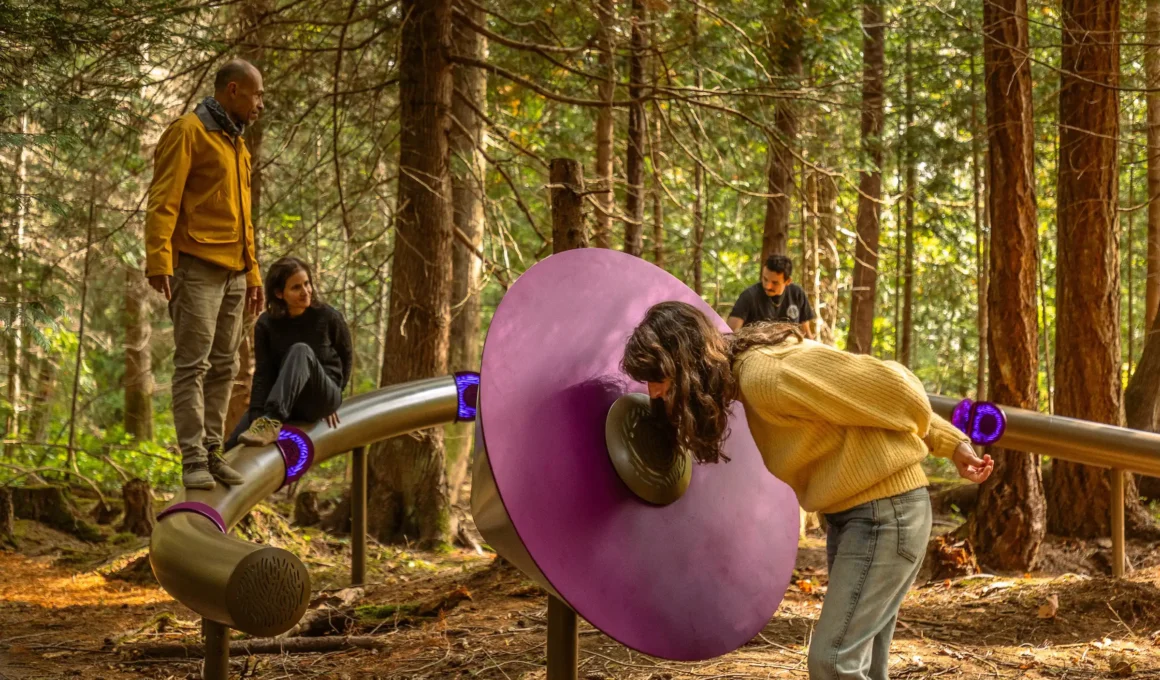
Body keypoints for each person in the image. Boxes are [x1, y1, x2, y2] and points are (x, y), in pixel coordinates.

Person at [621, 302, 993, 680]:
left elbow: (895, 391)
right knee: (862, 666)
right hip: (859, 516)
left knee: (832, 663)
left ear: (686, 360)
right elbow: (866, 404)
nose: (654, 392)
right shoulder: (750, 378)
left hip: (885, 514)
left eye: (658, 377)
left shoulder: (766, 375)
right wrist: (952, 442)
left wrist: (947, 440)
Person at [146, 59, 266, 490]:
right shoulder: (188, 132)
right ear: (233, 90)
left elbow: (245, 218)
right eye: (256, 95)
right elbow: (163, 202)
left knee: (225, 366)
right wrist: (159, 262)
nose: (260, 104)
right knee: (191, 366)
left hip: (235, 272)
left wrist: (253, 274)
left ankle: (213, 452)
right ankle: (192, 458)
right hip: (195, 268)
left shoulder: (237, 143)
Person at [226, 257, 352, 450]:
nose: (305, 292)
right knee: (232, 447)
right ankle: (265, 422)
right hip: (287, 401)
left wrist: (332, 400)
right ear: (279, 293)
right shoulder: (266, 324)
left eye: (307, 284)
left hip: (321, 395)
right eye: (296, 288)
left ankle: (271, 420)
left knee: (300, 350)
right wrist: (255, 416)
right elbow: (264, 374)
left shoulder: (328, 317)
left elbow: (346, 358)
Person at [728, 254, 816, 339]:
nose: (767, 286)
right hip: (757, 349)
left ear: (788, 281)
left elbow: (806, 333)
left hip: (790, 349)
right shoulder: (748, 296)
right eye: (765, 279)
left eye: (775, 283)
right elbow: (731, 333)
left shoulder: (797, 294)